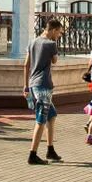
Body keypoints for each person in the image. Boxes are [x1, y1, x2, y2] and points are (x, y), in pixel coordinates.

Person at [24, 18, 65, 165]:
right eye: (59, 33)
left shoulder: (32, 42)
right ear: (53, 30)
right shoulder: (51, 44)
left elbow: (26, 65)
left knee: (51, 115)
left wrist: (26, 87)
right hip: (44, 85)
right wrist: (54, 48)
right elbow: (54, 61)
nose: (59, 36)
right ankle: (32, 154)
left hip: (33, 84)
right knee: (41, 119)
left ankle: (50, 149)